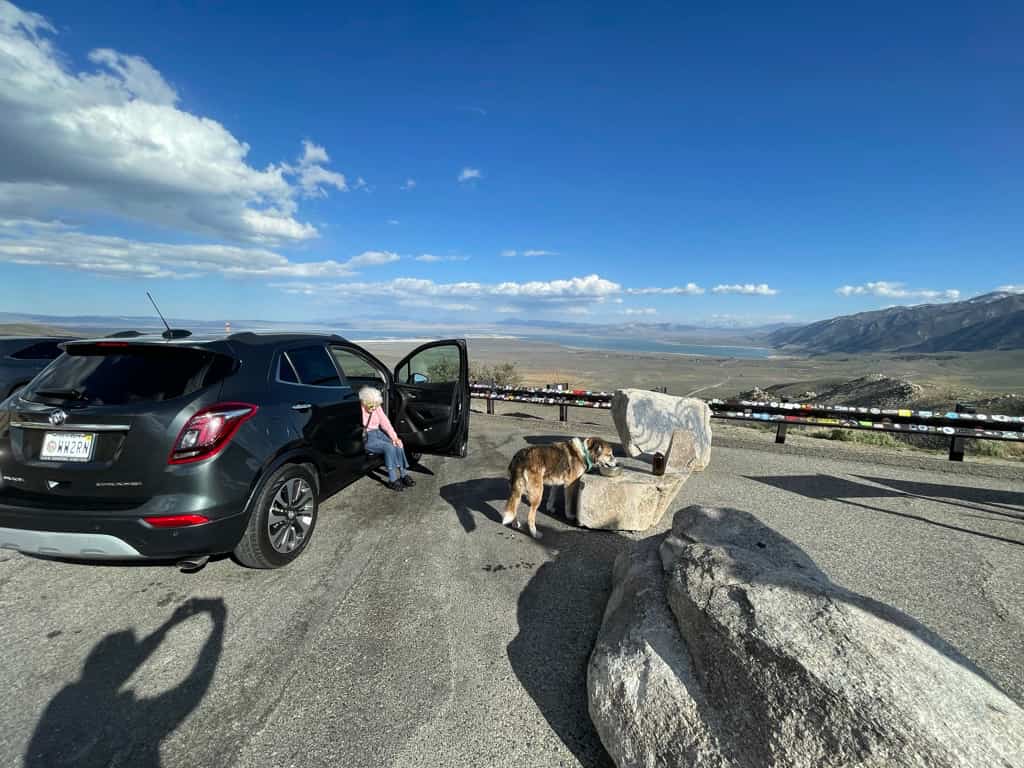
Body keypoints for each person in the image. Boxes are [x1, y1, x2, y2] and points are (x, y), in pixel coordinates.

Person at [360, 386, 415, 491]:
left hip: (379, 433)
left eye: (377, 405)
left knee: (398, 444)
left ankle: (404, 475)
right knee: (388, 447)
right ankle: (392, 479)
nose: (374, 408)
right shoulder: (359, 409)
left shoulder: (376, 406)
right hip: (367, 436)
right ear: (364, 401)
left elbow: (385, 423)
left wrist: (395, 437)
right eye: (371, 405)